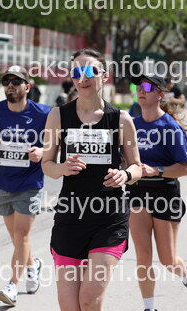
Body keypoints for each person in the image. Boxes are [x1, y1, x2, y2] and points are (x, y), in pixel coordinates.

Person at [41, 49, 142, 311]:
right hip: (70, 217)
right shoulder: (58, 116)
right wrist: (62, 168)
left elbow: (137, 167)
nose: (82, 78)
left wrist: (124, 174)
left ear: (104, 76)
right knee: (69, 305)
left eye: (89, 71)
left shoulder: (121, 119)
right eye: (76, 72)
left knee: (89, 299)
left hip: (108, 219)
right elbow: (47, 165)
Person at [0, 65, 51, 306]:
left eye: (16, 82)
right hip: (4, 183)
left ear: (28, 86)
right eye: (7, 82)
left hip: (30, 183)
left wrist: (42, 152)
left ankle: (12, 286)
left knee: (21, 235)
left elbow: (56, 145)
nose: (10, 86)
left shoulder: (44, 113)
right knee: (17, 238)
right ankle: (33, 265)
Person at [127, 73, 187, 311]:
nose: (141, 90)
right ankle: (149, 307)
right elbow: (124, 158)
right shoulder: (131, 125)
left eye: (148, 86)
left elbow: (186, 168)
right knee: (143, 257)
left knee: (167, 260)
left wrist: (156, 171)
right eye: (139, 86)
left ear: (161, 94)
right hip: (137, 194)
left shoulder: (170, 127)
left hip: (165, 196)